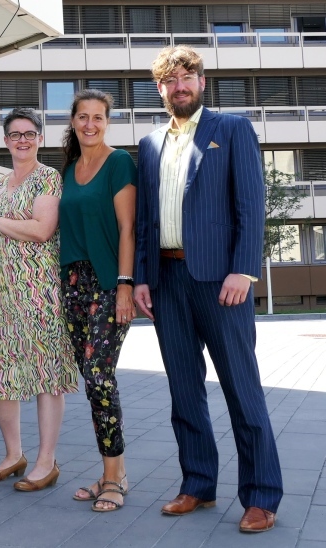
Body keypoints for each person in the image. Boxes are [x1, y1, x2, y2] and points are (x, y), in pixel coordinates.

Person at [134, 45, 283, 533]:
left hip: (223, 283)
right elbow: (145, 221)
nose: (180, 86)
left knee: (242, 389)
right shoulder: (151, 143)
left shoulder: (232, 129)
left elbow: (251, 204)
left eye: (188, 77)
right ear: (160, 90)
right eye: (170, 80)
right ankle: (197, 484)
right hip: (168, 280)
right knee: (183, 392)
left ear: (201, 81)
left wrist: (244, 270)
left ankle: (260, 495)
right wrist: (141, 278)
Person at [0, 108, 77, 492]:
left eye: (29, 133)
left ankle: (46, 461)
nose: (22, 139)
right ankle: (13, 454)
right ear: (5, 141)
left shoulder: (48, 179)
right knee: (0, 373)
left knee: (46, 375)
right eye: (15, 134)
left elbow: (41, 230)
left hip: (40, 292)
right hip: (1, 293)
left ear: (39, 138)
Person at [57, 91, 137, 511]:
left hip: (108, 281)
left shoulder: (119, 162)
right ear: (72, 121)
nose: (90, 124)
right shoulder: (68, 170)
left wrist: (124, 284)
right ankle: (114, 470)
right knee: (91, 380)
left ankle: (113, 478)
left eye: (98, 117)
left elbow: (127, 229)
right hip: (72, 284)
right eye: (83, 117)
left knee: (99, 375)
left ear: (107, 122)